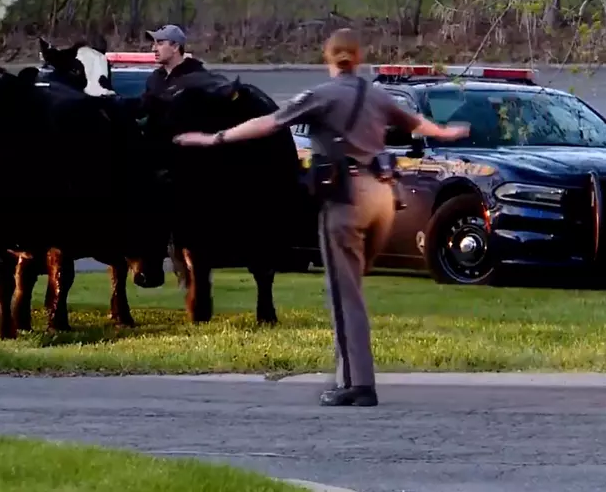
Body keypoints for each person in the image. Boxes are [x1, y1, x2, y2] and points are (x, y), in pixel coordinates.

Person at [172, 28, 470, 407]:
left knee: (345, 295)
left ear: (329, 58)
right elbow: (417, 124)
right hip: (383, 198)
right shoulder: (376, 94)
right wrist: (446, 132)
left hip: (346, 196)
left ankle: (357, 384)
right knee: (354, 290)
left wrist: (213, 139)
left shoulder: (322, 95)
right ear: (358, 58)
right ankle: (357, 377)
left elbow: (269, 123)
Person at [141, 24, 208, 290]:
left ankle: (196, 282)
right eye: (153, 43)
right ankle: (152, 269)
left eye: (160, 43)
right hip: (157, 164)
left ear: (176, 47)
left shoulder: (198, 78)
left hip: (190, 167)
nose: (154, 48)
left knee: (189, 231)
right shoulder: (155, 79)